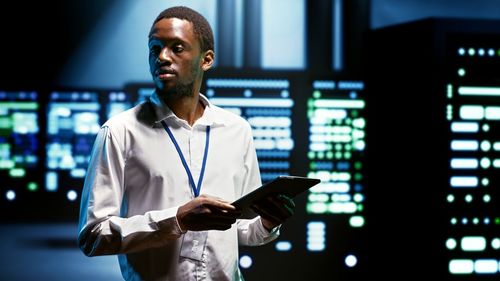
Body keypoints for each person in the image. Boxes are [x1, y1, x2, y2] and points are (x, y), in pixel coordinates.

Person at [78, 6, 295, 281]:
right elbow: (92, 236)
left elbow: (241, 230)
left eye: (176, 48)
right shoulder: (119, 132)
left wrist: (268, 222)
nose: (162, 58)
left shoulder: (237, 130)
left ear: (206, 60)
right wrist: (177, 220)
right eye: (155, 49)